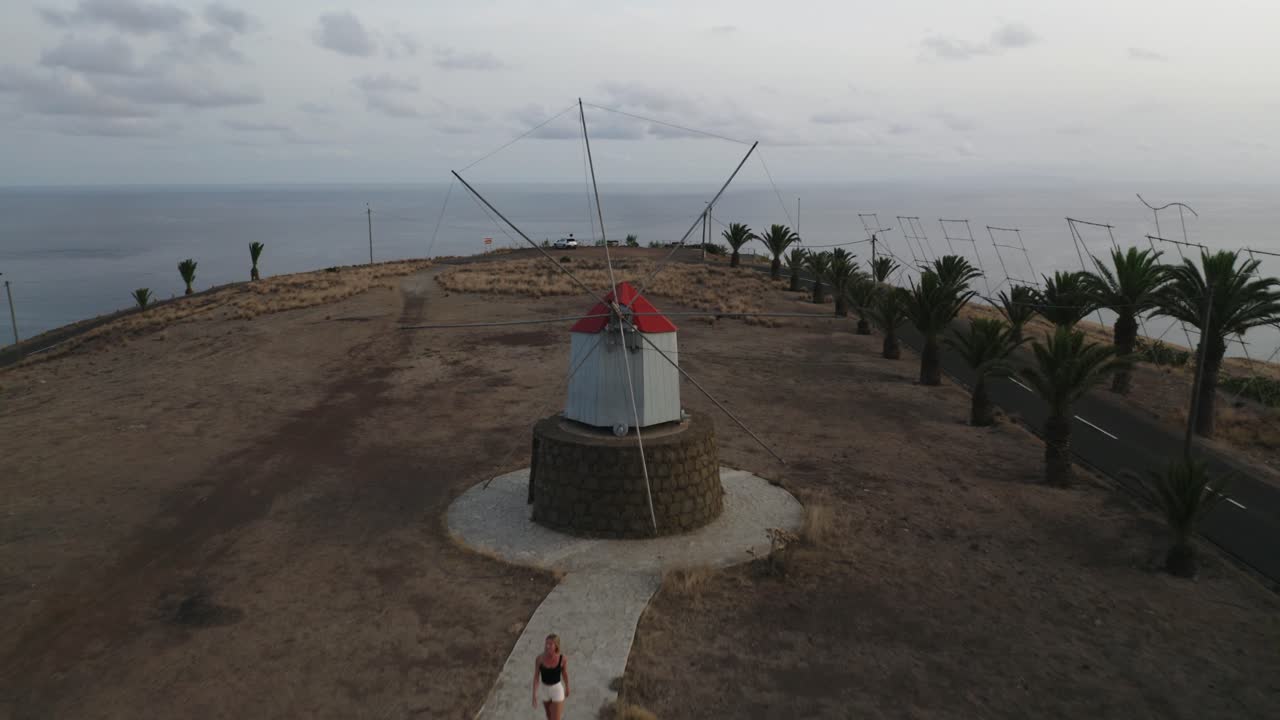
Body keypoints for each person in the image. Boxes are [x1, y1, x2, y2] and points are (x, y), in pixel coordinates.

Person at [532, 633, 569, 719]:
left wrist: (567, 687)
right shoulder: (539, 659)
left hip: (557, 689)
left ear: (556, 646)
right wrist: (534, 695)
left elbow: (564, 673)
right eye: (546, 643)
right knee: (549, 716)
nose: (547, 646)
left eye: (550, 644)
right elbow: (536, 677)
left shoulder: (562, 659)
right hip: (544, 690)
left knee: (556, 718)